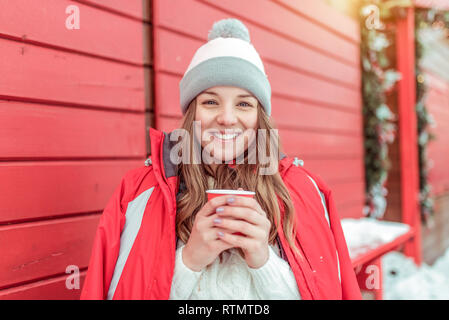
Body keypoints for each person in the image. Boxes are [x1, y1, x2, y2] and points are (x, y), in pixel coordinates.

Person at [80, 18, 361, 300]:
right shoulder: (138, 192)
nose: (227, 119)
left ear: (259, 117)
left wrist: (263, 260)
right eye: (211, 101)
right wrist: (189, 261)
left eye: (243, 104)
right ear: (192, 113)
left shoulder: (304, 190)